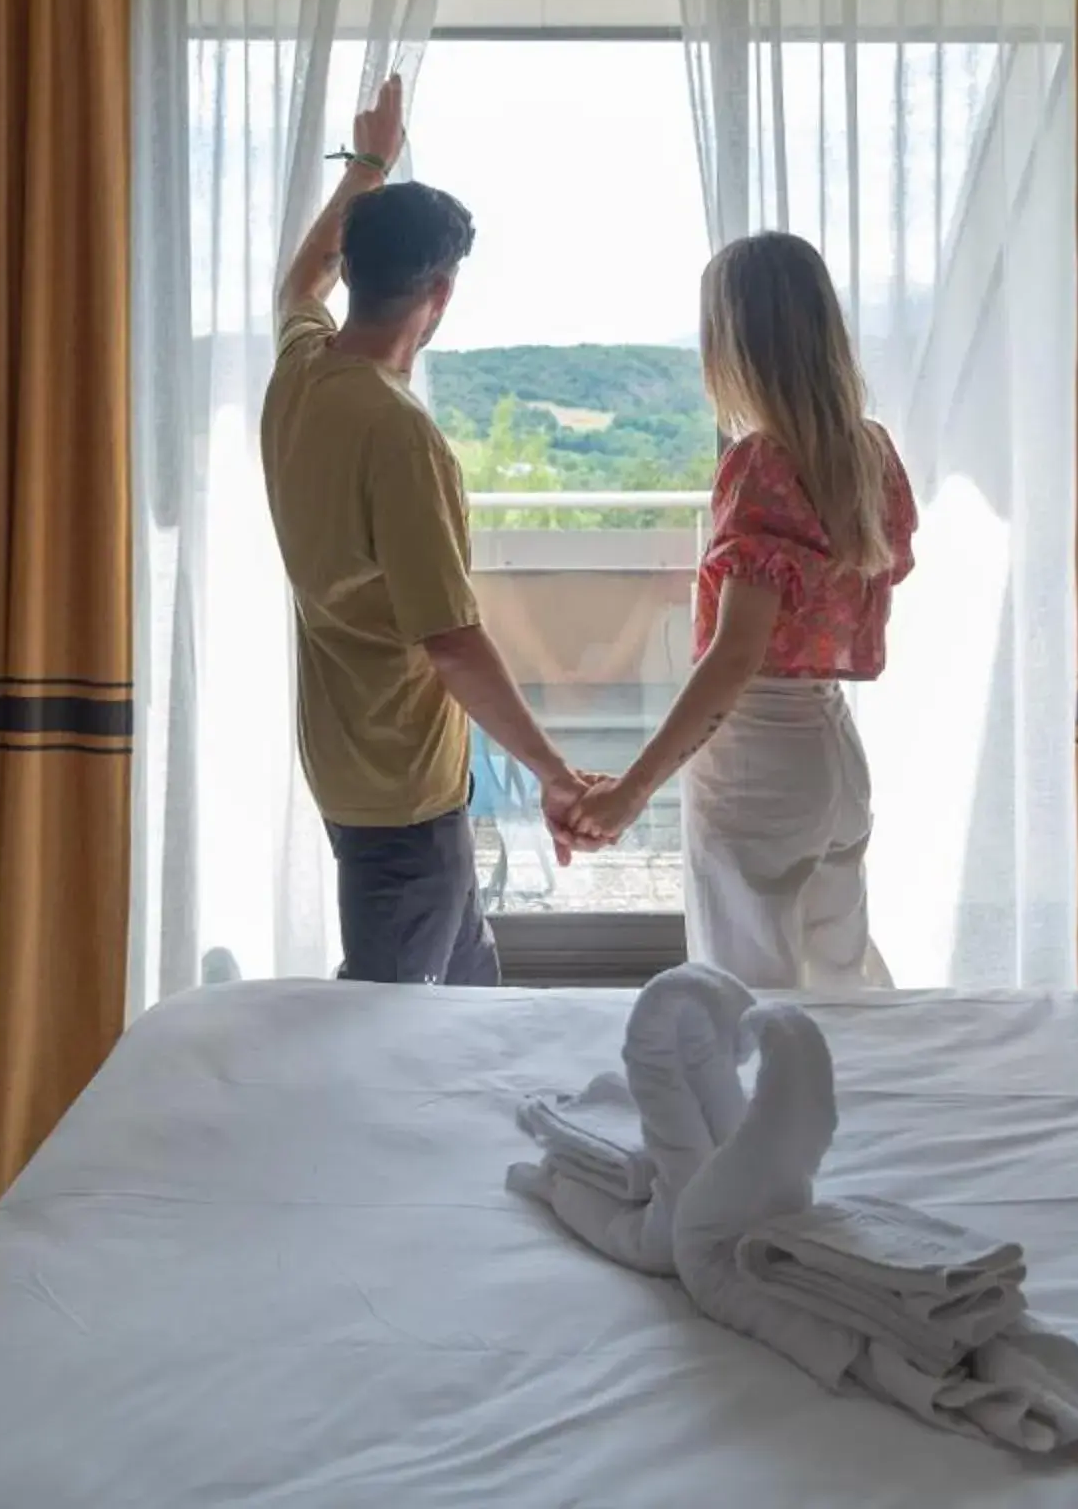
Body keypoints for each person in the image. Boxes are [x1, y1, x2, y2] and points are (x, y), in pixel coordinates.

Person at [261, 75, 602, 987]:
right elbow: (451, 641)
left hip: (352, 768)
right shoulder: (400, 435)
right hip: (402, 794)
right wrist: (555, 773)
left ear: (354, 271)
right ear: (442, 293)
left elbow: (299, 281)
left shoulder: (300, 371)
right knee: (389, 1025)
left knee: (467, 987)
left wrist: (368, 164)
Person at [574, 232, 916, 990]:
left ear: (732, 344)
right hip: (833, 752)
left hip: (759, 760)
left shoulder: (761, 463)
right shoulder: (871, 455)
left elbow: (735, 656)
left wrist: (632, 790)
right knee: (840, 982)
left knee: (747, 996)